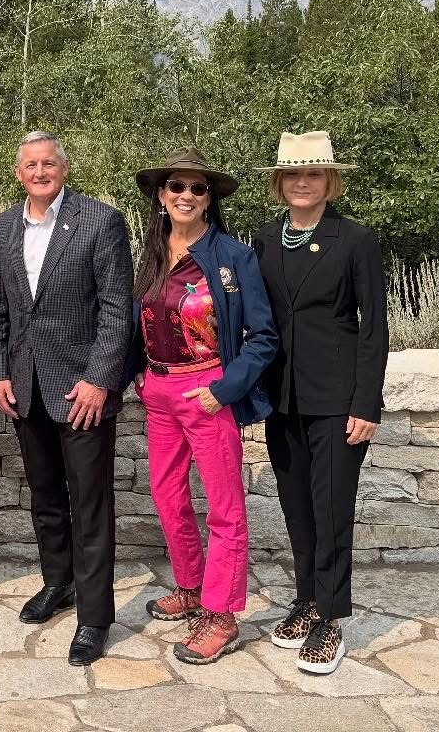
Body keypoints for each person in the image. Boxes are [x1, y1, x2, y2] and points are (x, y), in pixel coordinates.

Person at [0, 131, 135, 667]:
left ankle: (95, 617)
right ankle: (58, 584)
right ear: (18, 171)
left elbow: (118, 310)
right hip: (24, 387)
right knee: (46, 497)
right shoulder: (3, 227)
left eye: (49, 163)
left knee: (90, 504)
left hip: (82, 390)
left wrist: (99, 380)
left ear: (64, 169)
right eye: (31, 164)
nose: (40, 171)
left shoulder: (100, 221)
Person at [131, 148, 278, 665]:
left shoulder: (232, 256)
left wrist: (224, 389)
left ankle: (221, 613)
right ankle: (191, 588)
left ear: (210, 199)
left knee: (224, 507)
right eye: (177, 187)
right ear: (161, 195)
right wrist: (138, 377)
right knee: (168, 497)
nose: (186, 196)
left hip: (210, 391)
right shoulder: (149, 253)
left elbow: (263, 337)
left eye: (197, 189)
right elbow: (139, 322)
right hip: (160, 393)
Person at [253, 131, 387, 675]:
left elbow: (374, 329)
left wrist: (367, 404)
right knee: (297, 509)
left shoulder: (354, 240)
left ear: (329, 181)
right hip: (281, 399)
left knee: (332, 511)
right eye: (292, 174)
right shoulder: (263, 239)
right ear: (280, 183)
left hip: (336, 401)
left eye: (312, 174)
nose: (301, 183)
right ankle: (306, 599)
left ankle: (330, 619)